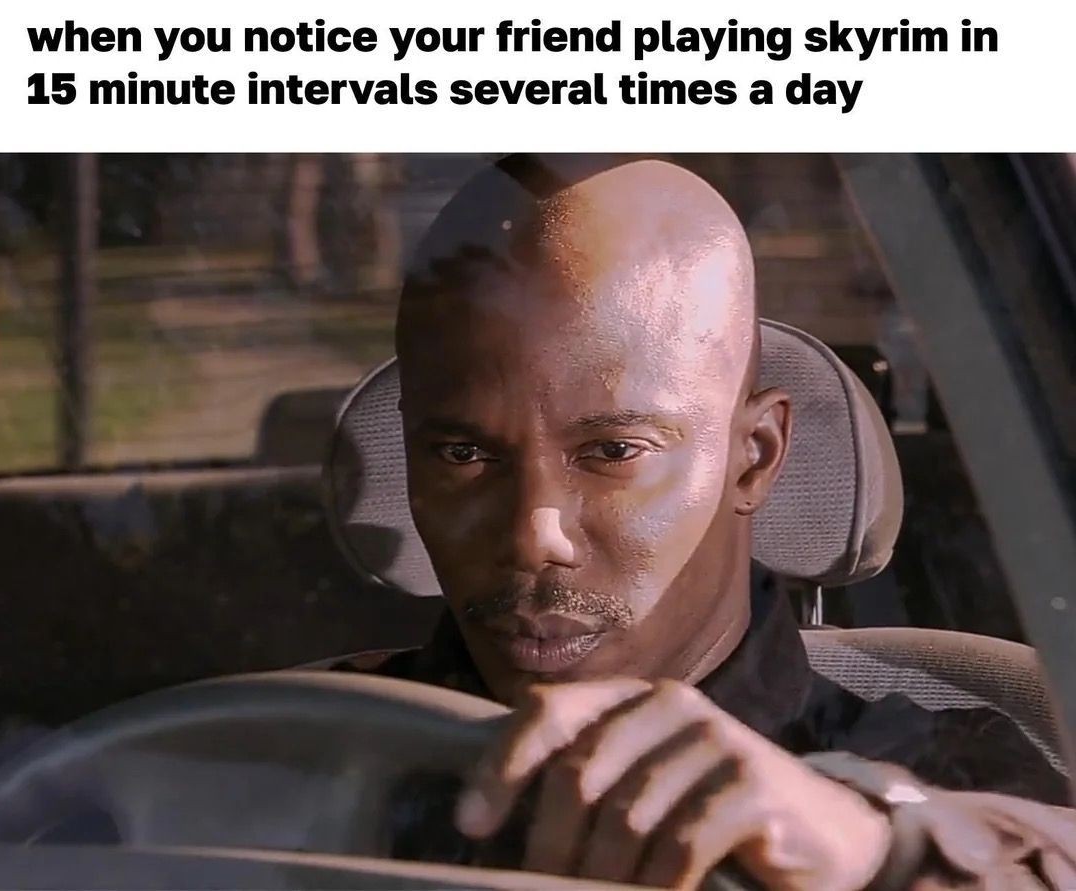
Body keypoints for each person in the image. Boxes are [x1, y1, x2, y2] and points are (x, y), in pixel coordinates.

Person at [327, 155, 1076, 889]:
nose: (533, 535)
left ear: (754, 458)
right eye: (462, 453)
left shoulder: (946, 775)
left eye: (614, 451)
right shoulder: (300, 749)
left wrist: (882, 854)